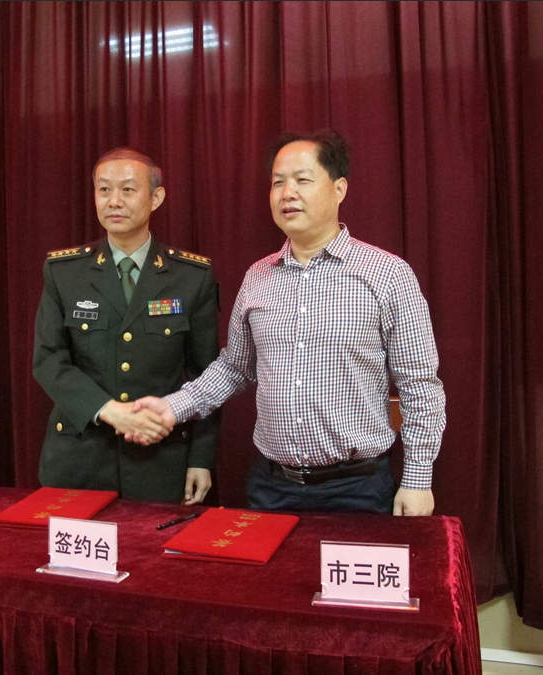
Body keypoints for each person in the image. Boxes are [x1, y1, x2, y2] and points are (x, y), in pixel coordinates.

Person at [132, 130, 445, 515]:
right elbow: (235, 368)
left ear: (339, 189)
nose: (287, 193)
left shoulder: (387, 274)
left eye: (302, 180)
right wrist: (172, 407)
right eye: (278, 182)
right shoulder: (258, 276)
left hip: (358, 489)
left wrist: (417, 479)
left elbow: (420, 385)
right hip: (272, 488)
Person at [32, 147, 220, 504]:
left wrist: (201, 459)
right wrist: (110, 410)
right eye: (104, 189)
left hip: (162, 461)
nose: (114, 201)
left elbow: (207, 375)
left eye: (128, 189)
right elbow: (49, 360)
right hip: (80, 457)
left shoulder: (191, 276)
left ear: (156, 198)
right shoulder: (65, 272)